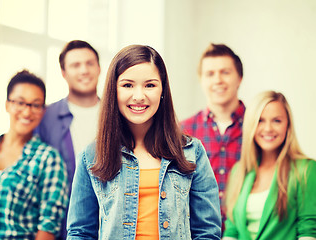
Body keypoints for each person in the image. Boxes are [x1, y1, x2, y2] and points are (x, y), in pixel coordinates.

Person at [66, 45, 221, 239]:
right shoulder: (92, 156)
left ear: (162, 89)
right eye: (128, 85)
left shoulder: (191, 151)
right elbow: (80, 233)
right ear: (114, 91)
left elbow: (207, 232)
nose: (139, 96)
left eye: (150, 85)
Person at [0, 70, 68, 239]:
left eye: (35, 105)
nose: (26, 112)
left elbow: (48, 227)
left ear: (43, 111)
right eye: (20, 102)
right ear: (7, 104)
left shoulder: (49, 160)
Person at [223, 91, 316, 240]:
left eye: (276, 121)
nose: (268, 129)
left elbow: (308, 231)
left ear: (288, 125)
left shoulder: (306, 170)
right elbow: (231, 231)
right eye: (260, 120)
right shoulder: (238, 172)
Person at [35, 40, 101, 239]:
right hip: (60, 227)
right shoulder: (45, 117)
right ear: (63, 73)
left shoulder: (117, 115)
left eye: (90, 63)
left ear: (99, 68)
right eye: (75, 65)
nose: (84, 71)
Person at [180, 43, 245, 230]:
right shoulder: (183, 131)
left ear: (239, 78)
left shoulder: (259, 128)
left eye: (225, 72)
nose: (218, 80)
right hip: (199, 232)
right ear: (201, 80)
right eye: (210, 74)